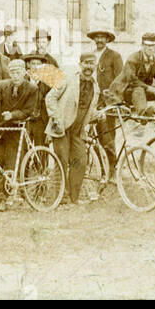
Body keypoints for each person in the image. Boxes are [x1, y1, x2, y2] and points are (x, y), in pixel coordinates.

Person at [0, 58, 41, 208]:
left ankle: (8, 196)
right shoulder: (2, 85)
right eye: (12, 72)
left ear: (24, 72)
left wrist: (13, 115)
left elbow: (28, 111)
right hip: (0, 128)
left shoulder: (32, 89)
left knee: (12, 164)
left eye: (18, 72)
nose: (15, 76)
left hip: (17, 129)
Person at [45, 52, 99, 204]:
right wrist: (56, 119)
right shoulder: (68, 79)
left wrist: (97, 115)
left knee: (80, 161)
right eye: (86, 63)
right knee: (61, 160)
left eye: (92, 64)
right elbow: (50, 98)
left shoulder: (95, 86)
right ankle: (61, 198)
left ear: (95, 66)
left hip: (77, 131)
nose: (89, 67)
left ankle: (74, 197)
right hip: (61, 128)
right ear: (80, 64)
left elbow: (87, 109)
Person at [88, 28, 123, 171]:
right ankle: (101, 169)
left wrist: (113, 100)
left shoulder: (114, 56)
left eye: (103, 37)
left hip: (107, 102)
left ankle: (113, 169)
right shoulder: (90, 56)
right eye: (97, 37)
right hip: (92, 101)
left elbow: (121, 80)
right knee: (95, 135)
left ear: (107, 40)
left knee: (108, 136)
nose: (100, 40)